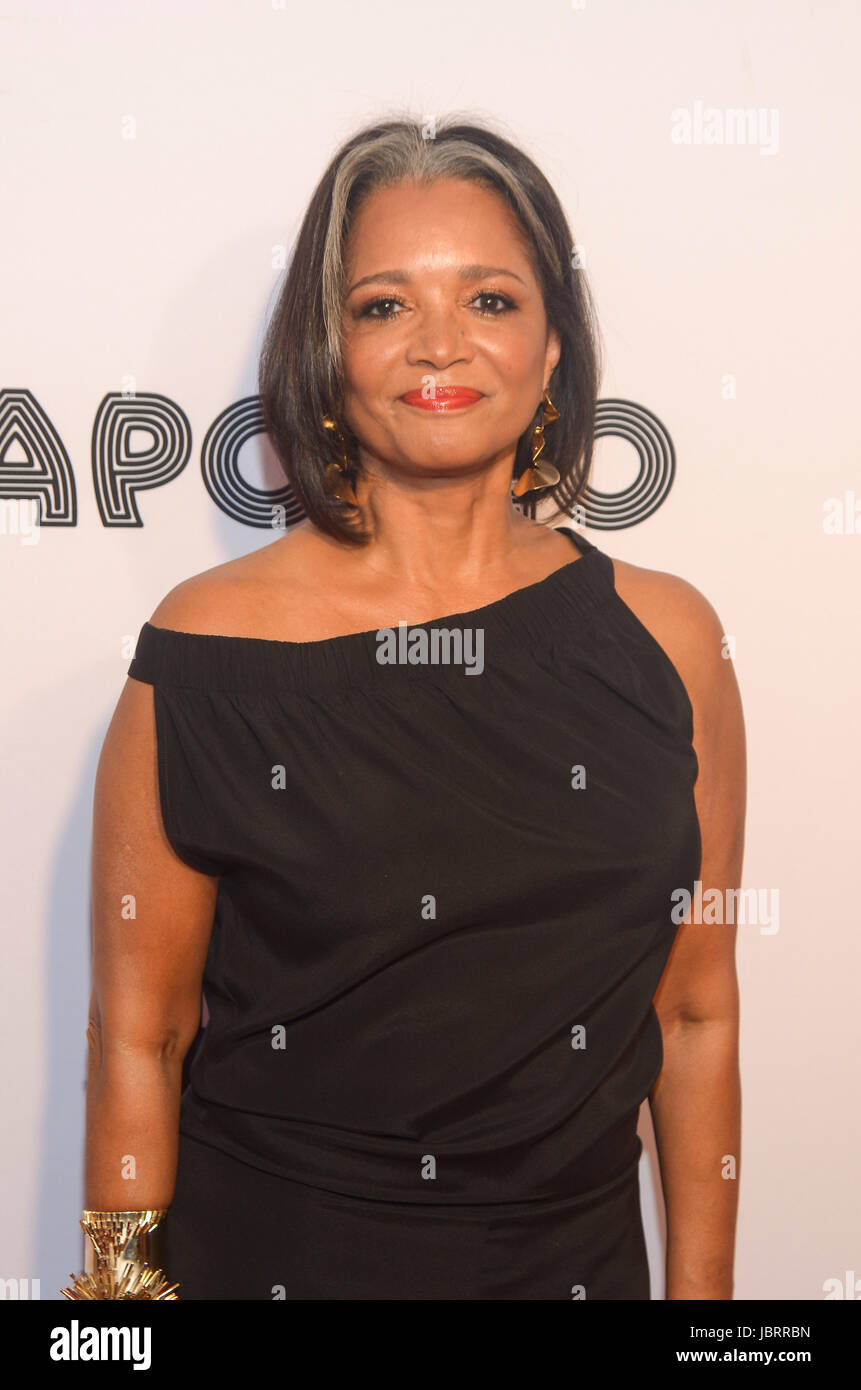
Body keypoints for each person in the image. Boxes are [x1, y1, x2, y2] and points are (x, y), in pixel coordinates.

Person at [66, 116, 745, 1301]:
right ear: (325, 354)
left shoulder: (671, 638)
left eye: (491, 300)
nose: (441, 343)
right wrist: (111, 1332)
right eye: (384, 305)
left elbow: (693, 1015)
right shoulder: (207, 651)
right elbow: (140, 1034)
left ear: (552, 351)